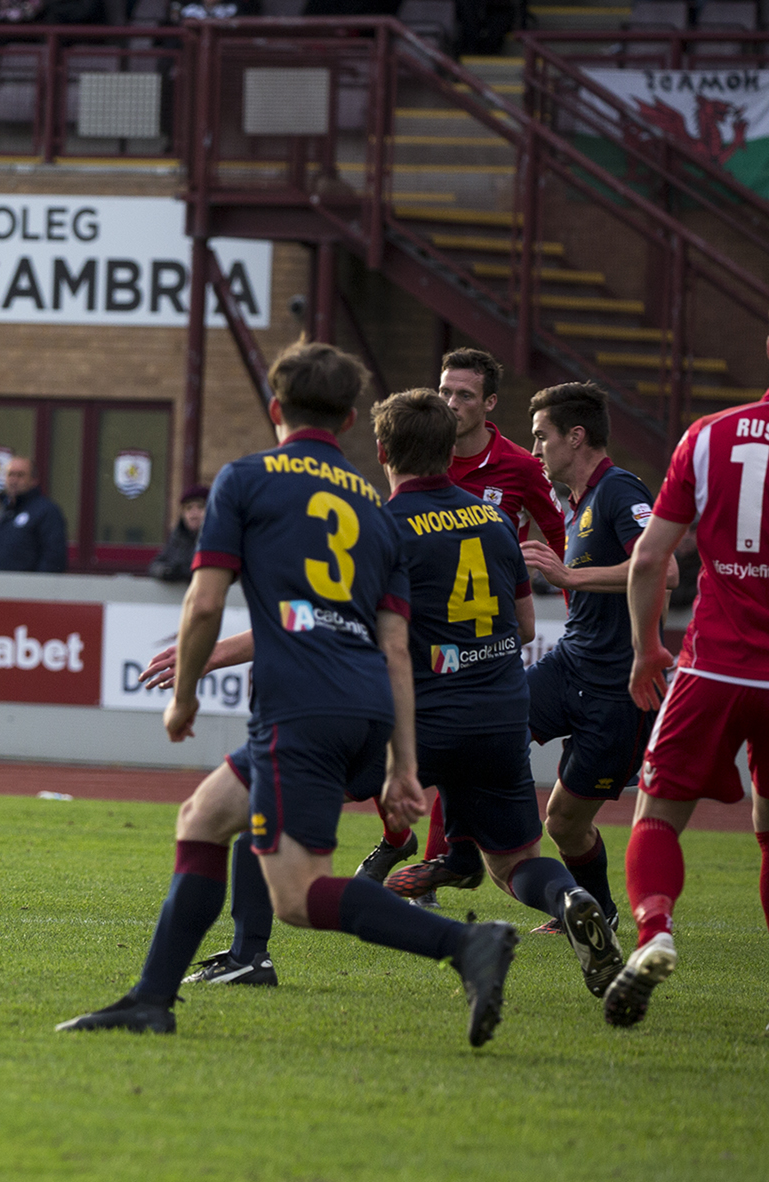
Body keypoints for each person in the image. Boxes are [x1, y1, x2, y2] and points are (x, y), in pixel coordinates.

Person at [57, 341, 517, 1046]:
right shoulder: (372, 503)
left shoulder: (247, 479)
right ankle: (150, 998)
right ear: (350, 416)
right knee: (204, 816)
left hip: (302, 707)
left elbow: (204, 604)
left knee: (299, 896)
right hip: (364, 706)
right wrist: (400, 763)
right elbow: (396, 646)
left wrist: (182, 694)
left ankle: (466, 948)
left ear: (276, 408)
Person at [357, 347, 572, 900]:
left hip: (451, 664)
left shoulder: (518, 471)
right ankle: (559, 893)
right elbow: (523, 626)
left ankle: (254, 943)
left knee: (293, 777)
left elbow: (565, 537)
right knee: (508, 841)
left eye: (465, 394)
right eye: (445, 392)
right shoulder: (475, 503)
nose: (451, 404)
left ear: (490, 404)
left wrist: (577, 598)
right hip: (490, 679)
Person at [613, 361, 769, 1027]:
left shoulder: (708, 436)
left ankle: (654, 934)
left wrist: (648, 647)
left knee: (655, 815)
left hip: (713, 670)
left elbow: (650, 560)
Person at [505, 381, 672, 934]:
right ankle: (457, 853)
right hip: (569, 665)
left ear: (576, 438)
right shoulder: (574, 503)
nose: (534, 451)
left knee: (564, 824)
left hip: (615, 692)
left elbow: (665, 570)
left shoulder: (621, 490)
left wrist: (569, 575)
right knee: (491, 723)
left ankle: (598, 909)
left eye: (541, 437)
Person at [0, 456, 68, 573]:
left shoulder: (46, 511)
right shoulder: (2, 513)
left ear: (34, 480)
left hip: (27, 588)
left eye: (20, 475)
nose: (14, 480)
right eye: (10, 475)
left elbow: (53, 559)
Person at [147, 484, 209, 583]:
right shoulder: (177, 537)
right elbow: (155, 565)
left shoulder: (217, 539)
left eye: (200, 507)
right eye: (188, 508)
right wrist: (166, 572)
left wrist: (189, 572)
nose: (193, 514)